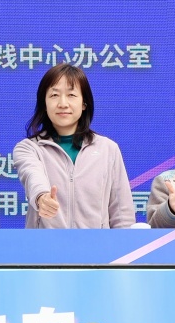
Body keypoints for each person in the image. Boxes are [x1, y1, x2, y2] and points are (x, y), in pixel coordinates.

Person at [11, 64, 134, 229]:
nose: (63, 103)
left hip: (97, 245)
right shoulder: (29, 148)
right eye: (54, 95)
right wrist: (42, 197)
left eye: (71, 95)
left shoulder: (108, 149)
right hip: (45, 244)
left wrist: (125, 243)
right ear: (44, 103)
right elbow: (33, 176)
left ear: (84, 103)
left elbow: (122, 215)